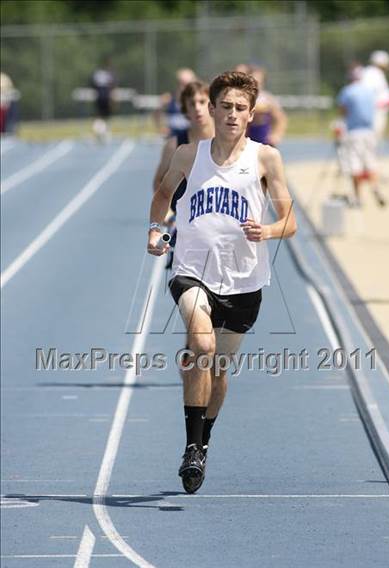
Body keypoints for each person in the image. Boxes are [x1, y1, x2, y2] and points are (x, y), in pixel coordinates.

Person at [147, 71, 297, 493]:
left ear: (251, 115)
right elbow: (162, 197)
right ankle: (191, 447)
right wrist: (156, 229)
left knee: (218, 369)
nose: (232, 114)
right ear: (211, 109)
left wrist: (265, 231)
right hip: (192, 269)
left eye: (240, 108)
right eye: (225, 106)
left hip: (245, 280)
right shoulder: (187, 156)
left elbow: (290, 221)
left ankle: (204, 441)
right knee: (201, 345)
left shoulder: (266, 159)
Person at [152, 80, 215, 268]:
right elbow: (159, 183)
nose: (197, 108)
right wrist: (168, 215)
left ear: (212, 106)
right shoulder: (174, 144)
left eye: (202, 102)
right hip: (184, 227)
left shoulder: (225, 142)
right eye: (192, 104)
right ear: (185, 109)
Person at [337, 64, 386, 207]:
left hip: (354, 132)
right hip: (370, 131)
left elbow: (343, 110)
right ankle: (375, 188)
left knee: (355, 164)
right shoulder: (369, 91)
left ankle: (358, 197)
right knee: (371, 161)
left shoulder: (347, 91)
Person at [247, 65, 287, 146]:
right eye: (253, 81)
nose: (255, 85)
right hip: (246, 138)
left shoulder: (268, 99)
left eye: (258, 82)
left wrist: (276, 135)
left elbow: (281, 118)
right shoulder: (242, 98)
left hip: (263, 139)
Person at [361, 50, 389, 141]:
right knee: (371, 138)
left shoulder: (375, 73)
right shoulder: (372, 73)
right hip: (374, 111)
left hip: (378, 110)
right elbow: (368, 93)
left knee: (374, 138)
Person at [154, 68, 197, 139]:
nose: (183, 87)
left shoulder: (198, 101)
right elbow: (156, 114)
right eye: (181, 83)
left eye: (187, 84)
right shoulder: (168, 99)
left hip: (191, 141)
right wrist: (161, 128)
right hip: (172, 141)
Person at [90, 59, 116, 142]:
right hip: (105, 95)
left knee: (100, 114)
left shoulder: (97, 73)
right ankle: (102, 132)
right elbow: (111, 84)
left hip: (100, 95)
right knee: (105, 115)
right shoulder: (108, 74)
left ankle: (100, 132)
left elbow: (94, 84)